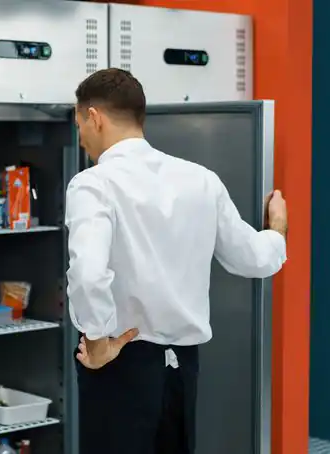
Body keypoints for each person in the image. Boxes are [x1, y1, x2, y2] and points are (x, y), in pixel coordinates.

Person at [67, 68, 288, 454]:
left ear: (94, 117)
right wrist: (278, 230)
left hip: (121, 363)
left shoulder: (94, 183)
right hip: (183, 370)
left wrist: (97, 338)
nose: (81, 137)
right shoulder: (201, 179)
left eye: (79, 124)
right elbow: (252, 258)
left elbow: (87, 273)